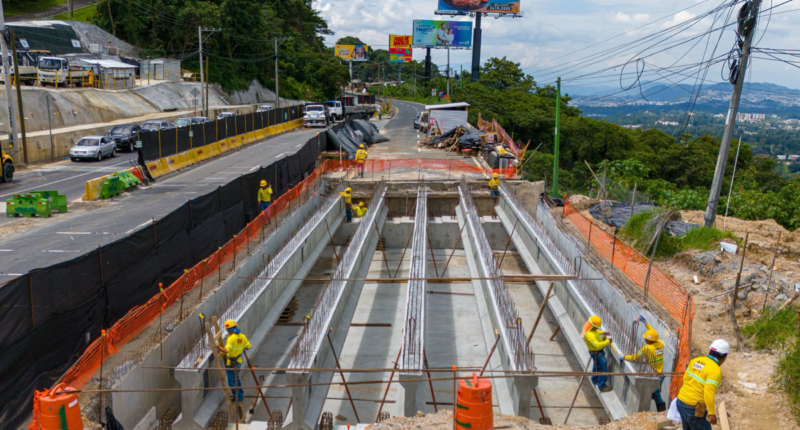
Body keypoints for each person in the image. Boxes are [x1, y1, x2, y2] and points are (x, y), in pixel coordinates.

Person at [676, 339, 729, 430]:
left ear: (709, 351)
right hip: (693, 408)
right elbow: (709, 393)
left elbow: (685, 379)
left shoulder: (695, 360)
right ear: (724, 357)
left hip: (680, 402)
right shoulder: (715, 370)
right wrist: (711, 414)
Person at [618, 316, 666, 411]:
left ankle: (662, 412)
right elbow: (653, 333)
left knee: (655, 395)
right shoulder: (659, 343)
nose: (644, 339)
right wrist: (646, 323)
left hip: (653, 376)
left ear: (649, 340)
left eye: (645, 338)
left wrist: (624, 357)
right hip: (660, 374)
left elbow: (636, 358)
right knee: (655, 394)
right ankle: (661, 412)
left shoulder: (647, 348)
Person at [216, 319, 252, 404]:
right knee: (236, 380)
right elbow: (248, 346)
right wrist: (241, 346)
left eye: (227, 330)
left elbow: (226, 350)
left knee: (232, 382)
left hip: (231, 363)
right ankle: (240, 396)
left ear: (229, 330)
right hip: (238, 361)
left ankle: (238, 399)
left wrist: (218, 346)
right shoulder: (242, 336)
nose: (227, 332)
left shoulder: (231, 339)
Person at [583, 315, 613, 392]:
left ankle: (594, 379)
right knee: (603, 368)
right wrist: (607, 341)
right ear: (594, 326)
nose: (597, 329)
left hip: (596, 353)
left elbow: (596, 332)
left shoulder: (591, 329)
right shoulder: (589, 335)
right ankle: (602, 386)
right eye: (597, 327)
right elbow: (597, 345)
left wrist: (603, 332)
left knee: (596, 365)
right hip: (597, 353)